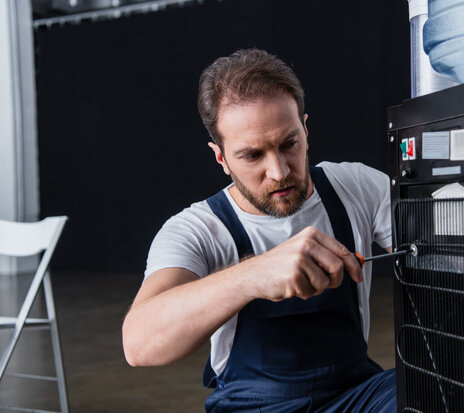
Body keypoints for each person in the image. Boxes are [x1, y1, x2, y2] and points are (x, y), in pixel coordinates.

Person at [122, 48, 396, 412]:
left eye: (289, 144)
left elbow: (448, 253)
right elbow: (139, 344)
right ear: (221, 158)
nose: (279, 171)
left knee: (429, 389)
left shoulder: (356, 187)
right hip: (253, 407)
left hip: (357, 396)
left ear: (305, 130)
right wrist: (252, 275)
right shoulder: (197, 229)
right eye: (253, 155)